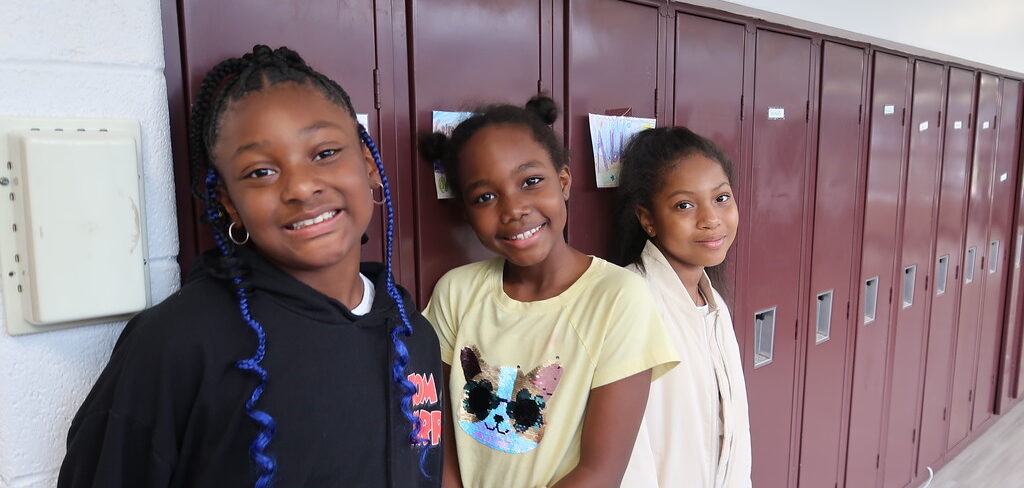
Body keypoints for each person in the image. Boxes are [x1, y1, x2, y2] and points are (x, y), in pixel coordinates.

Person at [57, 45, 442, 488]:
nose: (300, 187)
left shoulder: (413, 331)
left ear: (370, 164)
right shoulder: (177, 344)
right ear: (229, 205)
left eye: (325, 152)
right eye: (260, 172)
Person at [418, 96, 678, 488]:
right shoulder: (456, 292)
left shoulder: (619, 298)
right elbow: (439, 439)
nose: (514, 209)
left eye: (530, 182)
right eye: (485, 197)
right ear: (466, 212)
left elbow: (599, 472)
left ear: (563, 182)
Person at [615, 127, 751, 487]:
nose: (710, 218)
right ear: (648, 219)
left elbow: (733, 439)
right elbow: (630, 459)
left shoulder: (713, 302)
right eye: (684, 205)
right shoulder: (632, 300)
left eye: (721, 198)